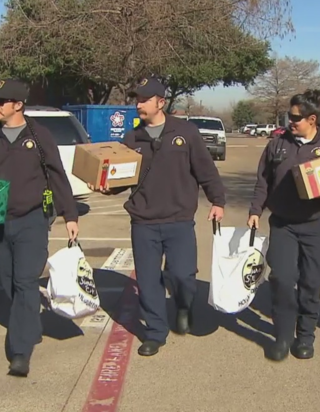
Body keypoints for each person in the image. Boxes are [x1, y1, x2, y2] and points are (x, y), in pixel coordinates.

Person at [89, 77, 226, 356]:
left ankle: (184, 305)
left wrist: (218, 200)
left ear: (160, 102)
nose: (138, 104)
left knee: (182, 275)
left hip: (178, 219)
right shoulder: (132, 138)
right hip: (144, 222)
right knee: (149, 280)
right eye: (136, 99)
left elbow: (206, 170)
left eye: (143, 99)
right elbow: (122, 179)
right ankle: (155, 332)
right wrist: (105, 188)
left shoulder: (185, 133)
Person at [0, 79, 79, 377]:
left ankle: (20, 352)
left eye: (1, 100)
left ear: (18, 105)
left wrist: (69, 214)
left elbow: (58, 176)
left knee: (25, 281)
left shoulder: (39, 136)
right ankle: (30, 323)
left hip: (33, 220)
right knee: (8, 281)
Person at [248, 89, 320, 362]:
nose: (289, 122)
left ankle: (305, 336)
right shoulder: (277, 145)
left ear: (312, 119)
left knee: (311, 283)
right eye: (288, 116)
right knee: (281, 278)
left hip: (317, 225)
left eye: (295, 117)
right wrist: (256, 209)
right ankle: (282, 336)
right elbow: (263, 180)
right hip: (283, 225)